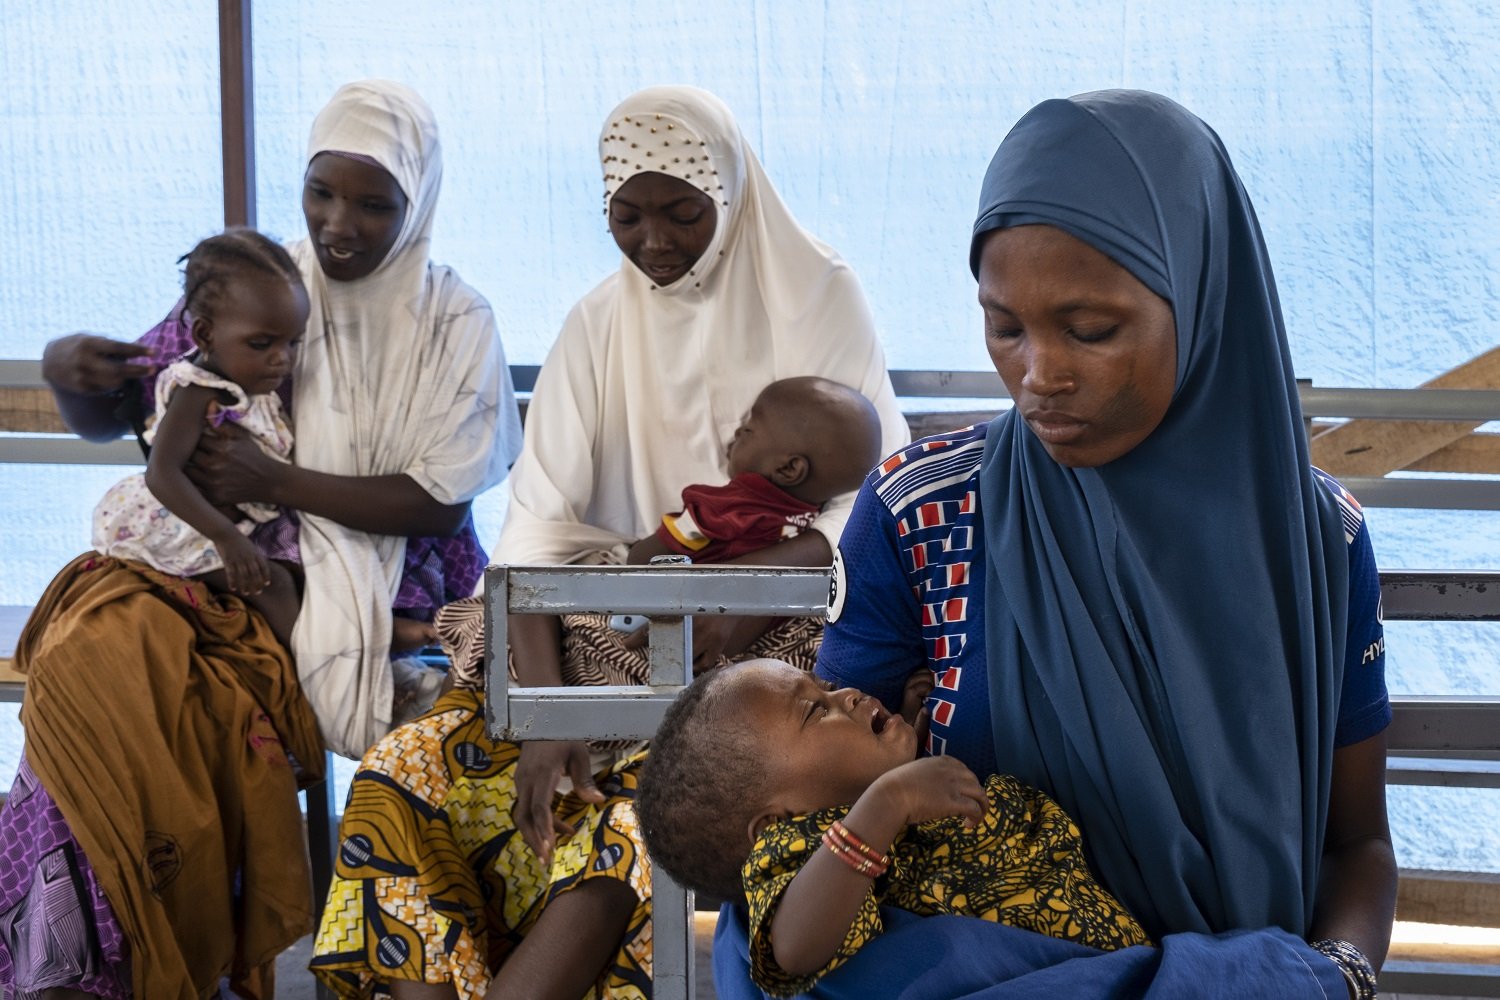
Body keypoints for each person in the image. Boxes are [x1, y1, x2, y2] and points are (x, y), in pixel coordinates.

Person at [713, 90, 1394, 1000]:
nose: (1039, 376)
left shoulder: (1314, 548)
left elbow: (1356, 845)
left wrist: (1333, 978)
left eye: (1091, 329)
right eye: (1004, 326)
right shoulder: (924, 514)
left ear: (1201, 298)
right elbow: (813, 821)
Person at [311, 85, 909, 1000]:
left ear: (733, 197)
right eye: (626, 216)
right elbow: (535, 539)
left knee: (633, 823)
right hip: (592, 635)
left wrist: (735, 588)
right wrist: (552, 714)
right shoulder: (596, 324)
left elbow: (862, 510)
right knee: (405, 770)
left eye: (681, 213)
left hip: (757, 654)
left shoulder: (817, 295)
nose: (654, 241)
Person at [4, 80, 522, 998]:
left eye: (374, 203)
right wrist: (69, 374)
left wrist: (274, 483)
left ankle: (179, 945)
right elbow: (139, 395)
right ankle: (83, 952)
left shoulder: (454, 319)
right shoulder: (264, 281)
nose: (341, 225)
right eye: (322, 192)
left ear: (420, 202)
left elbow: (439, 503)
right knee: (92, 668)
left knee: (190, 701)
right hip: (227, 568)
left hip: (393, 581)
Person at [638, 658, 1149, 997]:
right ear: (776, 822)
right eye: (817, 710)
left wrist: (900, 746)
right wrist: (889, 799)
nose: (849, 695)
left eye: (828, 686)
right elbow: (793, 950)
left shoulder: (855, 811)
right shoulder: (796, 848)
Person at [92, 228, 307, 647]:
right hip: (176, 524)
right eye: (262, 343)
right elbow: (162, 474)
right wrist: (227, 540)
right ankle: (316, 687)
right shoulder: (199, 389)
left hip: (222, 522)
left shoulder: (250, 388)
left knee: (304, 576)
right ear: (205, 336)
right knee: (275, 583)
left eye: (293, 341)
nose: (282, 358)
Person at [627, 375, 884, 565]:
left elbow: (644, 560)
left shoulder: (721, 512)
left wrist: (638, 552)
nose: (737, 432)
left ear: (789, 468)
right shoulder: (810, 513)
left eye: (749, 430)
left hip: (703, 618)